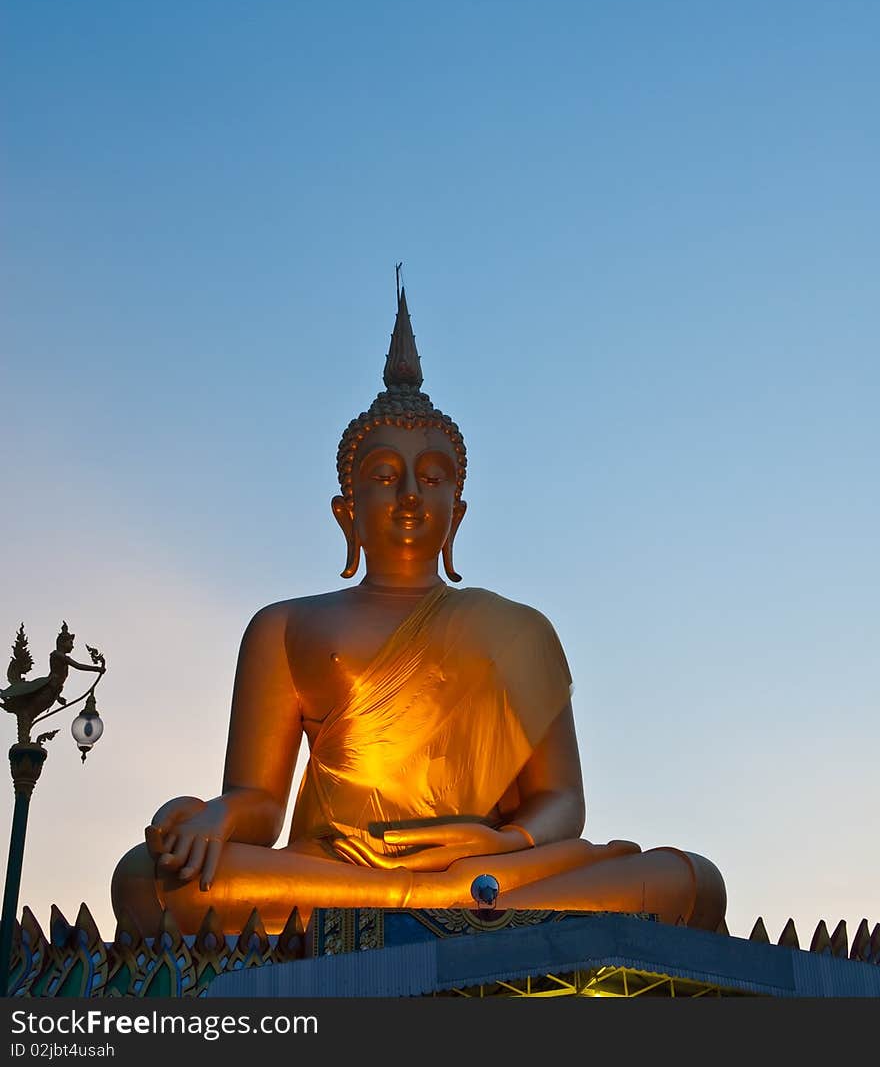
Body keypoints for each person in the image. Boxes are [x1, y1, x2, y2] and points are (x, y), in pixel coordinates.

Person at [111, 286, 726, 934]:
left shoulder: (519, 630)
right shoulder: (284, 626)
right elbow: (258, 803)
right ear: (346, 512)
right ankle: (443, 909)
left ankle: (447, 900)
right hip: (339, 872)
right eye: (384, 476)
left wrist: (499, 845)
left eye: (431, 477)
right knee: (149, 879)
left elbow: (561, 802)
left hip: (488, 868)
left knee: (691, 880)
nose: (409, 494)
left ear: (456, 511)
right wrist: (213, 816)